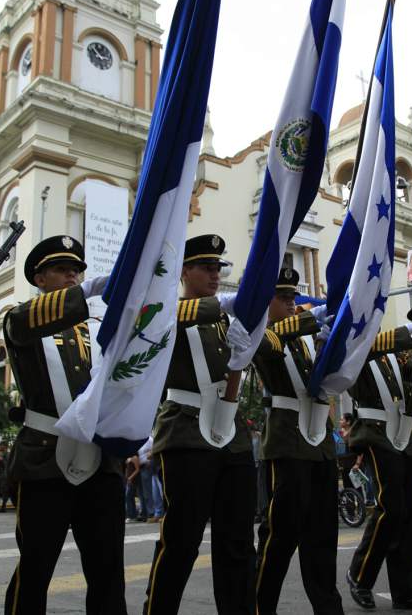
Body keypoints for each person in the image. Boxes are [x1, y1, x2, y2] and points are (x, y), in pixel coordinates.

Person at [1, 234, 122, 614]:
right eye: (61, 270)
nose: (71, 277)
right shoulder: (22, 319)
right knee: (36, 569)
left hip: (99, 461)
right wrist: (85, 291)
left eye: (76, 271)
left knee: (107, 572)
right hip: (43, 460)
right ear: (40, 278)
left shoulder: (97, 330)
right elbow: (21, 324)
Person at [144, 234, 257, 615]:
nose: (215, 274)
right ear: (183, 271)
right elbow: (166, 322)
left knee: (238, 543)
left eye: (218, 268)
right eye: (206, 268)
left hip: (233, 435)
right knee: (181, 541)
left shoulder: (226, 321)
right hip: (187, 434)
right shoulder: (167, 313)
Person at [251, 269, 352, 614]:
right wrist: (316, 317)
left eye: (293, 298)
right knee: (280, 534)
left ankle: (328, 607)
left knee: (322, 535)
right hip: (286, 443)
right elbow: (272, 341)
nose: (291, 305)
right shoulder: (262, 333)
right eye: (283, 299)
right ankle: (260, 606)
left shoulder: (307, 339)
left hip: (319, 445)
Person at [344, 316, 412, 610]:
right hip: (375, 435)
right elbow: (361, 355)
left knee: (411, 514)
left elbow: (408, 382)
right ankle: (359, 575)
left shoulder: (389, 356)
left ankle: (407, 590)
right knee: (392, 508)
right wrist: (408, 334)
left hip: (402, 437)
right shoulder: (356, 349)